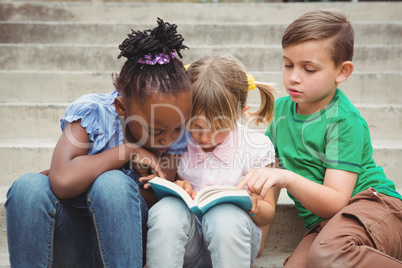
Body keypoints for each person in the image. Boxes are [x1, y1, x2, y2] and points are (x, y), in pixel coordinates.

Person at [5, 18, 192, 267]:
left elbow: (158, 204)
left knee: (112, 184)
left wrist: (105, 173)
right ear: (121, 107)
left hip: (128, 245)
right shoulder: (94, 113)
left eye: (178, 127)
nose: (169, 138)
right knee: (28, 187)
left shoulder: (176, 134)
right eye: (157, 131)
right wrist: (127, 151)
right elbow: (61, 181)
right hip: (74, 240)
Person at [237, 10, 402, 267]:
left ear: (342, 71)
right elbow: (271, 177)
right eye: (288, 64)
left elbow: (336, 201)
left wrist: (288, 177)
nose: (293, 77)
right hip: (326, 225)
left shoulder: (343, 120)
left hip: (371, 207)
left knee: (328, 254)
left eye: (309, 69)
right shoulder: (281, 111)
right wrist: (258, 243)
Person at [143, 54, 280, 268]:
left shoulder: (256, 146)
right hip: (189, 243)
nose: (205, 138)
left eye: (218, 130)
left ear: (239, 114)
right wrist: (177, 187)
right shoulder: (177, 141)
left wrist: (255, 206)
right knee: (167, 210)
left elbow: (268, 212)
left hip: (234, 243)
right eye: (196, 126)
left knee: (224, 216)